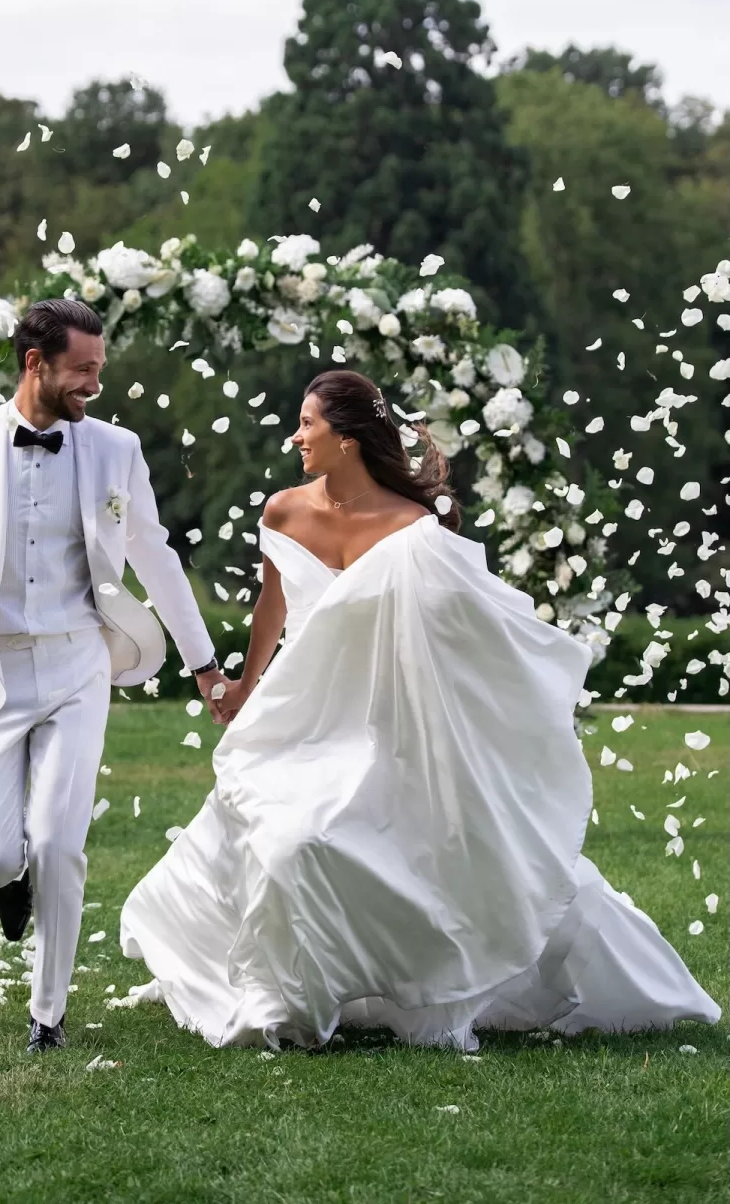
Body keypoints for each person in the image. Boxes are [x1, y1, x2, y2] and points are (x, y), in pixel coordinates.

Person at [119, 369, 722, 1052]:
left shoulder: (414, 532)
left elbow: (457, 637)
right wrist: (246, 686)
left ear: (346, 440)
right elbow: (273, 604)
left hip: (382, 723)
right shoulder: (283, 510)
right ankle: (284, 998)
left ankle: (369, 978)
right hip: (300, 716)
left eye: (308, 424)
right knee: (278, 835)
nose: (297, 436)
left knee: (334, 841)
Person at [0, 299, 226, 1055]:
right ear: (35, 363)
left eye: (100, 370)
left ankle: (48, 1015)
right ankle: (9, 880)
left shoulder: (117, 450)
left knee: (58, 842)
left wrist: (204, 664)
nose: (95, 385)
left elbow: (157, 559)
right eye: (83, 371)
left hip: (79, 665)